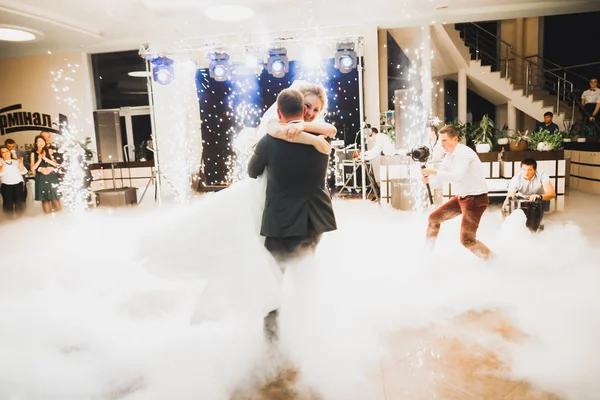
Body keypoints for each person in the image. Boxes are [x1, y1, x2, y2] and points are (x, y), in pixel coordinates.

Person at [248, 89, 337, 341]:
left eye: (315, 110)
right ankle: (307, 333)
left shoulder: (270, 140)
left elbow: (253, 172)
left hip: (281, 222)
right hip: (314, 219)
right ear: (302, 108)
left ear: (279, 112)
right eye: (307, 107)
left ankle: (272, 342)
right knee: (305, 277)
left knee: (273, 281)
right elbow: (324, 131)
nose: (310, 113)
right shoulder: (321, 138)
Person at [421, 124, 492, 260]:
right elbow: (442, 176)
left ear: (455, 139)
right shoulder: (449, 155)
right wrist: (428, 181)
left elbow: (457, 176)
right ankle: (427, 255)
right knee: (433, 218)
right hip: (462, 198)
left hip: (476, 200)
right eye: (440, 140)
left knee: (467, 240)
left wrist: (433, 172)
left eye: (444, 140)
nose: (441, 144)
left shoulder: (464, 153)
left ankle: (493, 261)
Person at [502, 158, 556, 231]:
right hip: (522, 199)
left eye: (530, 170)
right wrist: (504, 209)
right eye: (524, 169)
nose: (526, 173)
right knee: (521, 220)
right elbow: (509, 197)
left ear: (535, 170)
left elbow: (552, 194)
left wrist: (539, 196)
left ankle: (537, 228)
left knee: (535, 223)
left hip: (540, 199)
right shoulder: (516, 178)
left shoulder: (542, 175)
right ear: (520, 169)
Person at [30, 135, 61, 214]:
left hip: (51, 176)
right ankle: (47, 219)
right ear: (36, 143)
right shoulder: (33, 153)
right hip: (41, 177)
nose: (41, 143)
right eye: (39, 141)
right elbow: (32, 168)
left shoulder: (49, 151)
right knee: (45, 199)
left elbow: (55, 164)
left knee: (55, 198)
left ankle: (61, 217)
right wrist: (40, 160)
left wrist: (45, 158)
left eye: (43, 141)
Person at [0, 145, 27, 218]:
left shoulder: (16, 161)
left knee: (20, 204)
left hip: (18, 184)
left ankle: (21, 220)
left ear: (10, 152)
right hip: (6, 186)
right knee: (8, 205)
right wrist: (2, 164)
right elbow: (0, 173)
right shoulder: (0, 162)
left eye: (7, 151)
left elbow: (23, 172)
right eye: (3, 152)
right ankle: (9, 221)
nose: (6, 153)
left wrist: (20, 163)